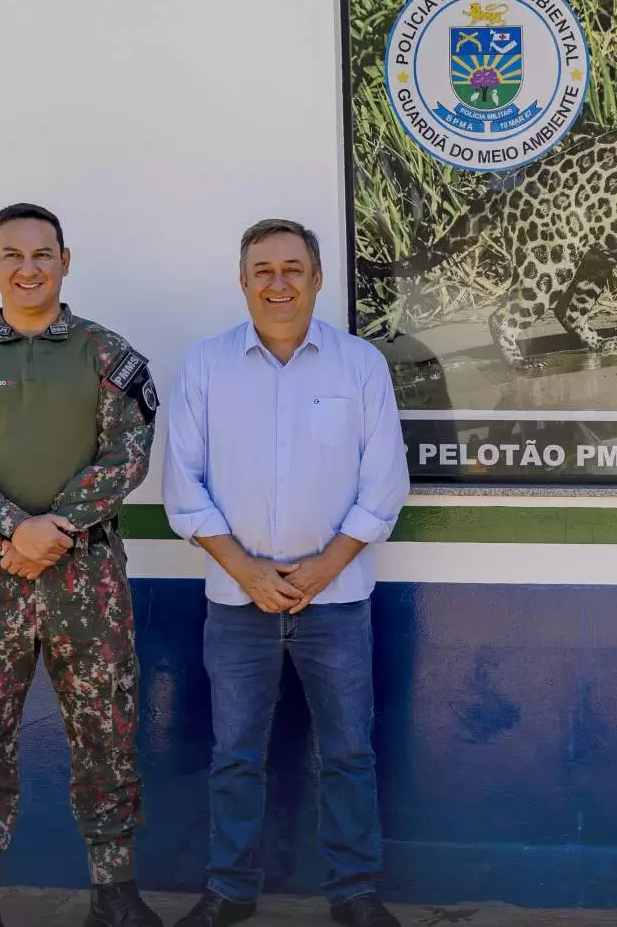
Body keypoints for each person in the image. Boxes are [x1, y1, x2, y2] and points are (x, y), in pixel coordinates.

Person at [0, 203, 162, 927]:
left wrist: (58, 525)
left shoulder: (106, 355)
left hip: (88, 576)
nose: (28, 268)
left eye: (42, 254)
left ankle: (115, 893)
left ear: (65, 261)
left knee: (106, 728)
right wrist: (14, 528)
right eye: (12, 255)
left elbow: (129, 453)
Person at [162, 218, 409, 927]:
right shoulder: (206, 367)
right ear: (243, 282)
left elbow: (383, 486)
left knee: (349, 755)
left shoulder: (360, 365)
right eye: (263, 270)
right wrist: (251, 574)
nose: (279, 283)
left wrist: (322, 571)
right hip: (236, 605)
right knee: (236, 755)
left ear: (319, 279)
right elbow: (185, 488)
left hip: (338, 603)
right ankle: (230, 893)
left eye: (293, 268)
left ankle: (355, 894)